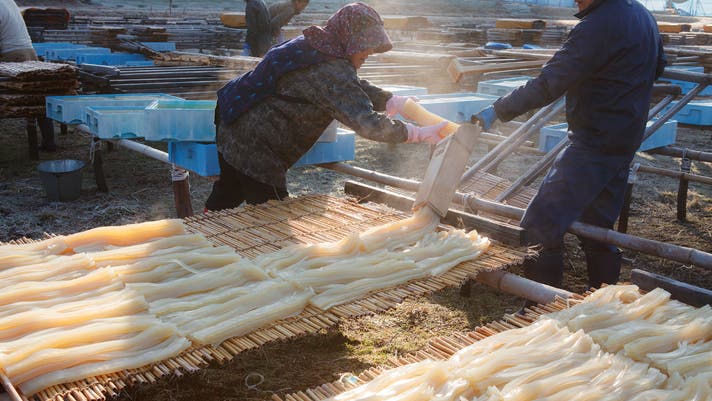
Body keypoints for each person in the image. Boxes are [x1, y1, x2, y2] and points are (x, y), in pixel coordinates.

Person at [473, 0, 666, 292]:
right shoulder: (641, 14)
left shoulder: (597, 25)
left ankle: (541, 302)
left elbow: (549, 82)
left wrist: (497, 110)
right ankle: (603, 297)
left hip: (594, 140)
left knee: (539, 224)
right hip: (625, 135)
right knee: (597, 226)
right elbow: (658, 66)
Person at [206, 2, 446, 211]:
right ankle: (226, 243)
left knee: (230, 190)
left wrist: (389, 99)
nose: (371, 51)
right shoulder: (331, 68)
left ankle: (200, 234)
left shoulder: (319, 44)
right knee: (271, 213)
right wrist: (415, 133)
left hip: (231, 116)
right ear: (351, 40)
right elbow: (367, 123)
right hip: (256, 143)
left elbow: (348, 85)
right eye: (367, 43)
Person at [0, 0, 56, 151]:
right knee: (38, 96)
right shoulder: (8, 1)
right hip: (29, 51)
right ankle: (49, 142)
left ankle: (41, 142)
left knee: (19, 100)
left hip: (12, 54)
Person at [244, 0, 308, 57]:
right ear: (297, 1)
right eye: (303, 6)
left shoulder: (289, 5)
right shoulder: (290, 9)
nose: (303, 8)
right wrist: (278, 32)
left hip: (264, 33)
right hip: (264, 34)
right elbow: (274, 23)